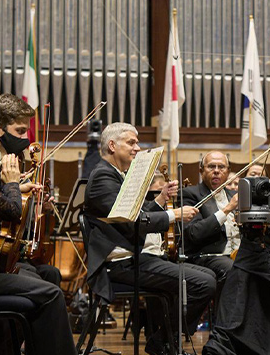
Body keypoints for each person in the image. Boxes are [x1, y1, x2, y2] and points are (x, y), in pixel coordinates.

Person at [83, 122, 216, 355]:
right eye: (131, 142)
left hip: (132, 258)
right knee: (203, 283)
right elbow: (129, 222)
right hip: (117, 265)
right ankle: (163, 341)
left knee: (208, 276)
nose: (138, 148)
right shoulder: (103, 177)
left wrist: (162, 198)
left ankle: (165, 340)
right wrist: (173, 215)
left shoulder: (116, 175)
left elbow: (138, 212)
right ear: (112, 145)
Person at [0, 99, 76, 355]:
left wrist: (20, 197)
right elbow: (10, 213)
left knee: (43, 283)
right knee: (51, 294)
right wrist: (12, 185)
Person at [0, 93, 61, 285]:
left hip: (3, 251)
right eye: (20, 131)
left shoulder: (8, 160)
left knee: (51, 274)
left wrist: (34, 207)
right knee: (47, 287)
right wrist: (13, 187)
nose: (26, 138)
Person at [180, 151, 240, 301]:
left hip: (239, 253)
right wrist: (226, 210)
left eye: (221, 167)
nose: (216, 171)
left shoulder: (235, 195)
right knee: (233, 269)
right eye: (211, 166)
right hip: (209, 255)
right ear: (201, 171)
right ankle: (226, 322)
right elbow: (194, 233)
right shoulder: (190, 194)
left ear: (228, 171)